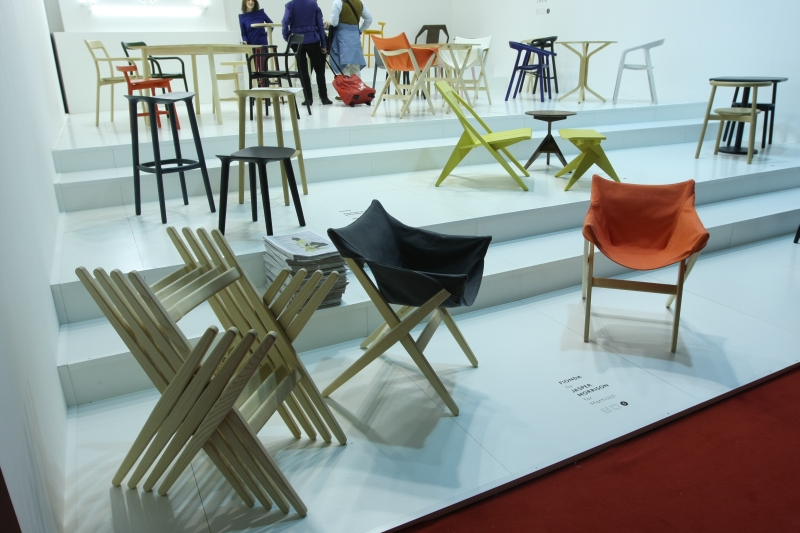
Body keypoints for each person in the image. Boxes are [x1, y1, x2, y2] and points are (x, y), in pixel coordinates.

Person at [282, 0, 332, 105]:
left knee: (303, 70)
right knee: (319, 69)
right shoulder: (313, 4)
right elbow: (320, 25)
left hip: (296, 41)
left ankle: (308, 98)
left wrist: (288, 37)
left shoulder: (290, 5)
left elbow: (285, 22)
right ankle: (324, 97)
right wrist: (323, 44)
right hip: (312, 40)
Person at [329, 0, 372, 77]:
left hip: (342, 37)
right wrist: (360, 30)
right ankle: (357, 84)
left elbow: (334, 22)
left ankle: (347, 84)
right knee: (356, 67)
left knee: (344, 68)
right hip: (355, 37)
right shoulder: (360, 2)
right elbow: (369, 19)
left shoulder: (338, 2)